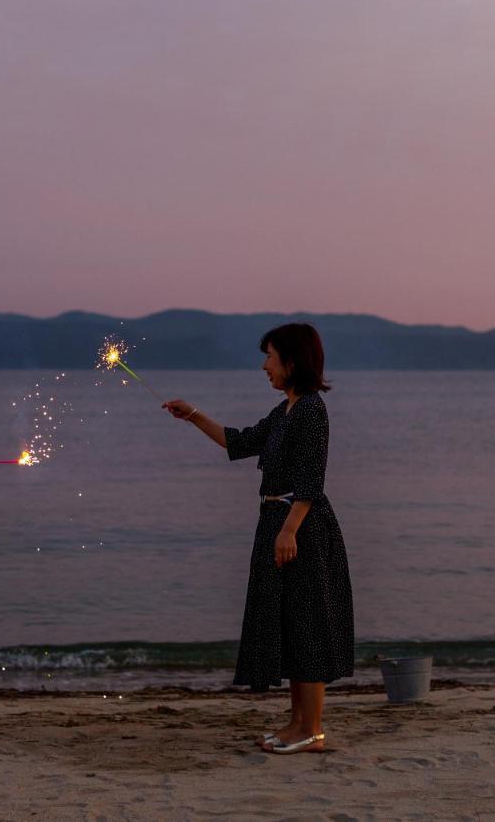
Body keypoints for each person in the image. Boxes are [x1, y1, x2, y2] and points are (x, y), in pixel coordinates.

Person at [163, 322, 354, 755]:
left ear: (292, 361)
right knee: (289, 624)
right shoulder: (286, 409)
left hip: (298, 526)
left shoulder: (310, 410)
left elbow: (311, 477)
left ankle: (312, 730)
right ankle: (297, 724)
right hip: (277, 521)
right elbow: (239, 442)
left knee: (307, 626)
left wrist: (289, 530)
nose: (264, 366)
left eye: (270, 357)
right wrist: (192, 415)